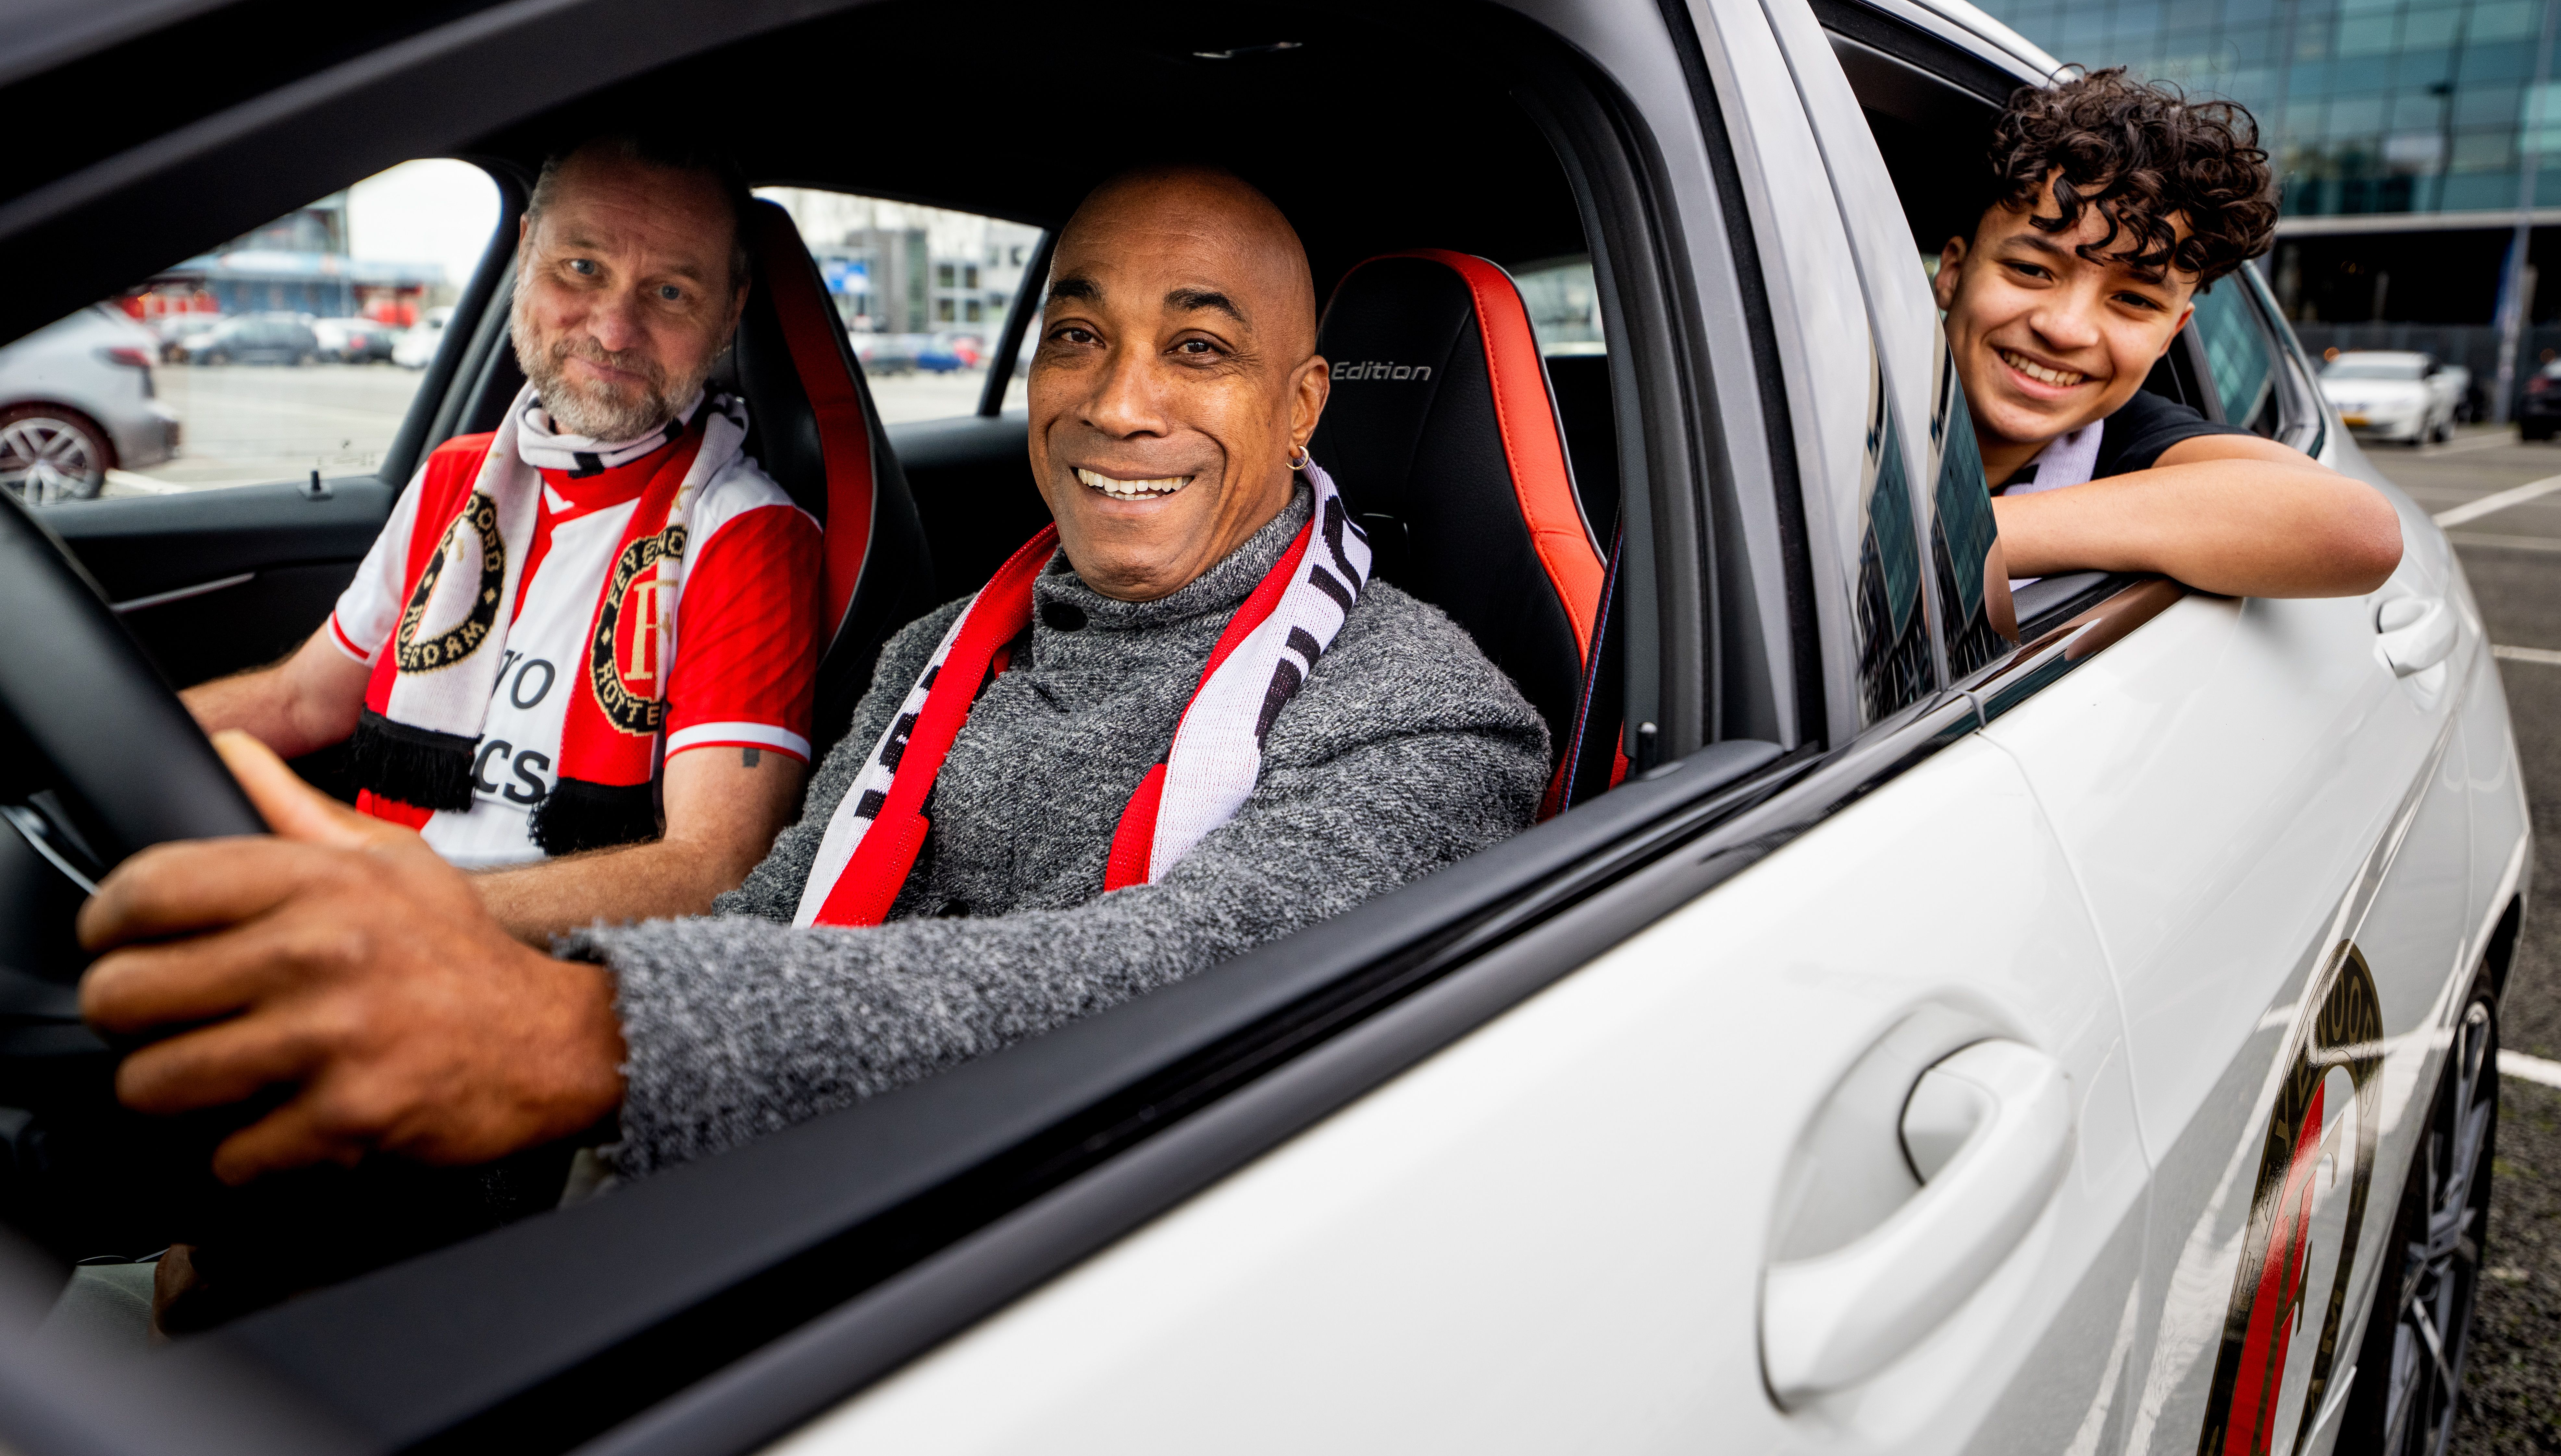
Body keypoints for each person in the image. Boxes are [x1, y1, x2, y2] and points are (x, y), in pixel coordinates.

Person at [79, 165, 1549, 1205]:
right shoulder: (938, 650)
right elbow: (764, 916)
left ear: (1301, 408)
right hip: (785, 1194)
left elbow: (1175, 979)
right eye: (1077, 335)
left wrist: (581, 1031)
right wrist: (473, 999)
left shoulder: (1427, 711)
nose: (1118, 401)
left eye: (1202, 348)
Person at [182, 135, 824, 937]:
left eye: (669, 291)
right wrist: (107, 732)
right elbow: (303, 698)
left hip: (515, 962)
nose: (614, 330)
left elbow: (712, 865)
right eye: (582, 267)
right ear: (527, 251)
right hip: (358, 905)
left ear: (729, 311)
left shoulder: (749, 534)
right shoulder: (455, 477)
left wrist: (388, 916)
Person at [1935, 68, 2401, 597]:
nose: (2065, 330)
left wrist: (1950, 537)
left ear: (2168, 336)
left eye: (2134, 300)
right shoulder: (1855, 385)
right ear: (1951, 273)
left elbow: (2359, 530)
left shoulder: (2135, 445)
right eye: (2031, 271)